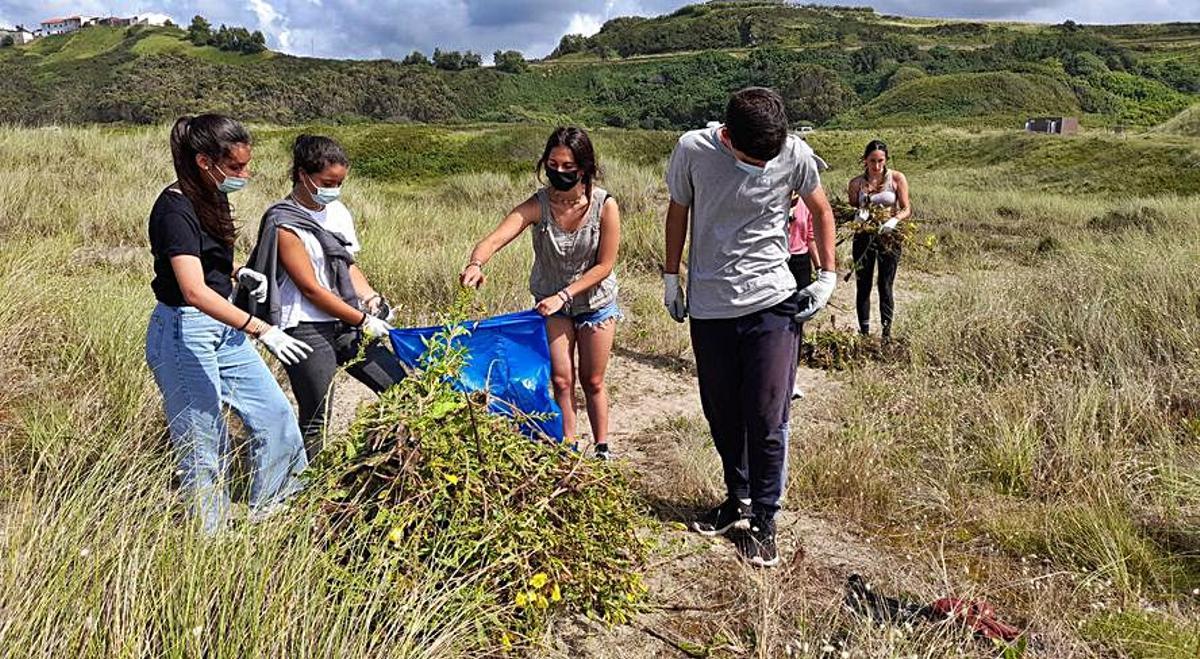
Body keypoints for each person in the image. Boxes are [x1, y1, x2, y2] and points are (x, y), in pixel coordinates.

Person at [663, 88, 837, 568]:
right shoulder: (693, 150)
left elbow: (821, 210)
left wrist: (827, 275)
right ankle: (736, 497)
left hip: (772, 303)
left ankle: (765, 516)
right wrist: (671, 277)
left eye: (769, 158)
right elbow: (678, 211)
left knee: (766, 414)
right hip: (711, 306)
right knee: (721, 411)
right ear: (727, 137)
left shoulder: (794, 152)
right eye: (752, 158)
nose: (763, 166)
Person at [145, 114, 312, 534]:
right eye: (236, 166)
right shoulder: (174, 209)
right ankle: (211, 536)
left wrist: (237, 272)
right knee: (204, 439)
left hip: (222, 324)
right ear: (205, 162)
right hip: (185, 331)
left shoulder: (211, 196)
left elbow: (205, 262)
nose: (245, 174)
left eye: (246, 164)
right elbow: (193, 291)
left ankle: (273, 509)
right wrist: (261, 328)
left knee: (275, 414)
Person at [461, 127, 622, 460]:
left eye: (568, 166)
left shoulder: (605, 206)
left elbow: (604, 266)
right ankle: (568, 447)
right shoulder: (539, 204)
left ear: (584, 168)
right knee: (561, 380)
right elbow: (495, 238)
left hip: (595, 303)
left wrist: (565, 294)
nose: (559, 172)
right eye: (553, 165)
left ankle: (602, 447)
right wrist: (476, 263)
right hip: (553, 305)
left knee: (593, 380)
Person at [240, 135, 402, 461]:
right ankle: (311, 480)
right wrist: (362, 320)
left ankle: (386, 459)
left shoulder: (337, 212)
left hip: (345, 319)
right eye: (328, 183)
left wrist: (371, 298)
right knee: (316, 414)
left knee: (398, 386)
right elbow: (310, 288)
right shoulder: (283, 221)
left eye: (340, 183)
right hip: (305, 325)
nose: (334, 190)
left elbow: (347, 264)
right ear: (303, 175)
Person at [848, 140, 911, 339]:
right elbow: (850, 208)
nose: (876, 166)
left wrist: (894, 220)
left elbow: (906, 208)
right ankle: (864, 333)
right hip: (864, 236)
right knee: (863, 285)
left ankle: (886, 335)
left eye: (880, 161)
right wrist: (857, 215)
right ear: (865, 160)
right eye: (872, 161)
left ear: (886, 160)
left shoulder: (897, 178)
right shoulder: (856, 183)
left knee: (885, 285)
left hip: (889, 236)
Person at [787, 191, 821, 400]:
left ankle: (792, 376)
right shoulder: (775, 199)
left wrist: (821, 270)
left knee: (797, 320)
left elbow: (810, 238)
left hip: (800, 262)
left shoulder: (806, 204)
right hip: (777, 261)